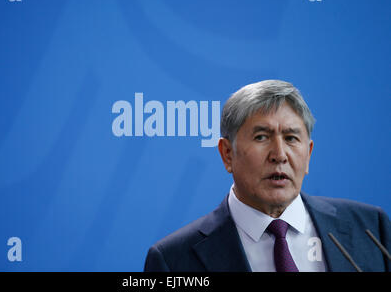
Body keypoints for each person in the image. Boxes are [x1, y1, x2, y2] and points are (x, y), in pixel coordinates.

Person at [144, 80, 391, 272]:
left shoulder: (371, 228)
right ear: (227, 154)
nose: (280, 155)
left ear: (309, 154)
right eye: (261, 137)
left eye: (291, 138)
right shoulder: (173, 260)